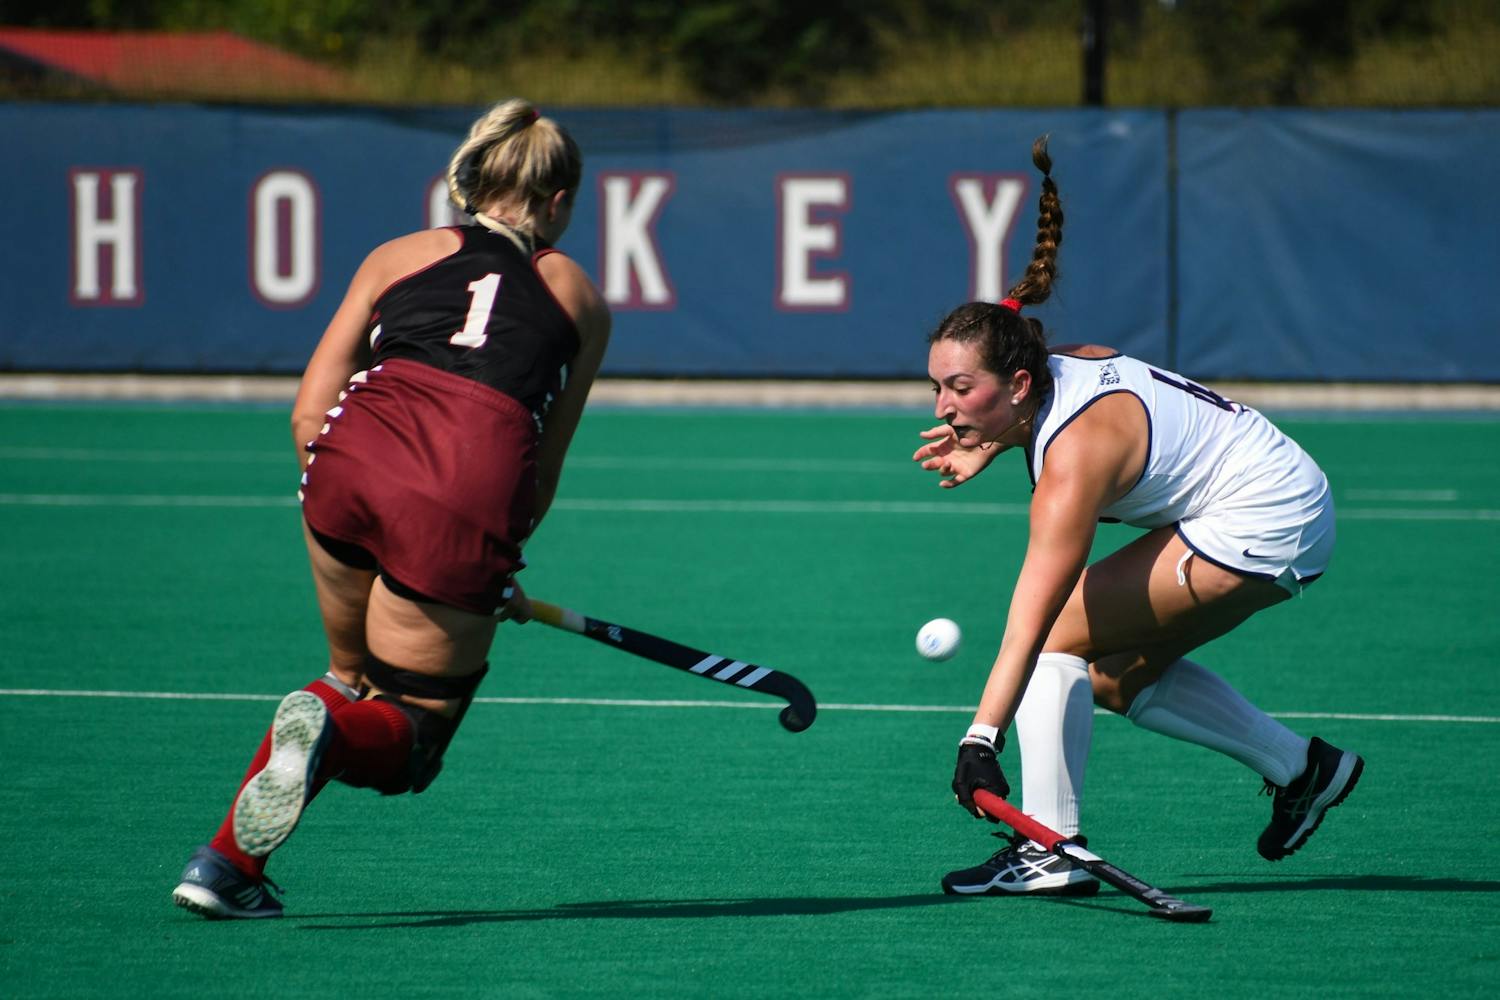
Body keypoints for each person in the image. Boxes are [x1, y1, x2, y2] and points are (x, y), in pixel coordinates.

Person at [172, 98, 610, 919]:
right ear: (557, 203)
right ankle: (327, 743)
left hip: (347, 463)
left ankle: (226, 866)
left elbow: (308, 412)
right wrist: (483, 567)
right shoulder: (578, 296)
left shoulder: (396, 255)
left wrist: (344, 486)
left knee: (349, 678)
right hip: (464, 488)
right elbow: (541, 465)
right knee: (413, 731)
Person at [915, 137, 1362, 897]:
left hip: (1262, 515)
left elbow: (1034, 616)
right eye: (937, 389)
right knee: (1114, 677)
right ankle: (1303, 768)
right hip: (1286, 496)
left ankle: (1050, 852)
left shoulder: (1074, 461)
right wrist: (994, 439)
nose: (944, 408)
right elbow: (1064, 383)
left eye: (961, 389)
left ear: (1017, 383)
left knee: (1059, 638)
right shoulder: (1059, 364)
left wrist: (979, 735)